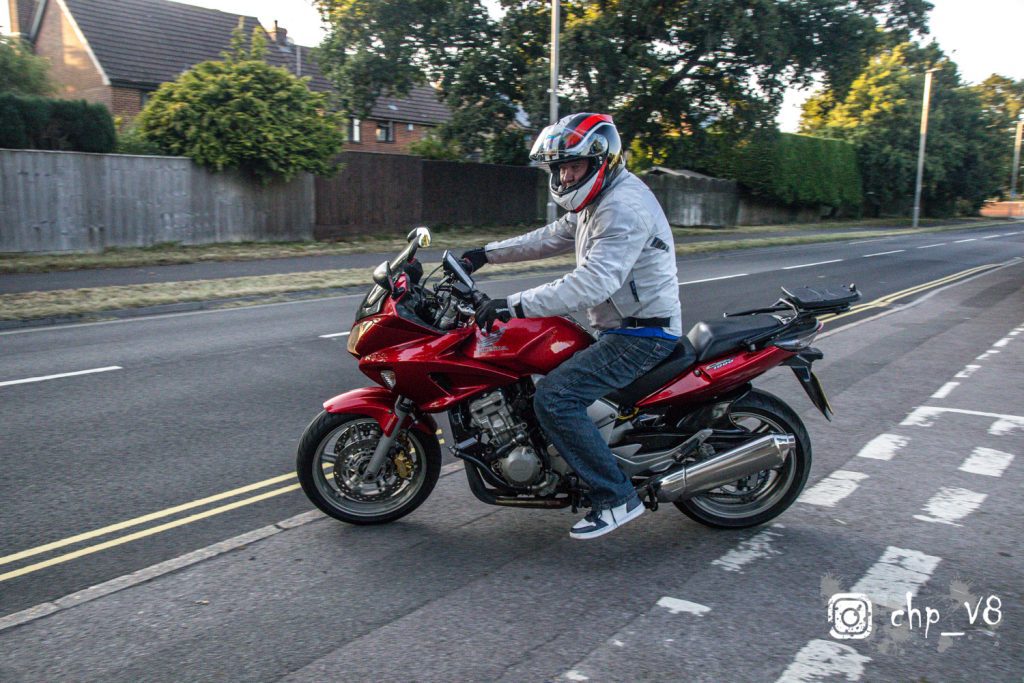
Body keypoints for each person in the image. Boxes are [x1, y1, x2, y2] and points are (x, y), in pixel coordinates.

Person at [461, 113, 682, 540]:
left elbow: (594, 281)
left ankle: (616, 496)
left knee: (556, 398)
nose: (564, 175)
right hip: (620, 326)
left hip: (641, 335)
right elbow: (551, 235)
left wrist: (514, 305)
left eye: (572, 166)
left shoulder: (622, 207)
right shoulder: (594, 200)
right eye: (559, 167)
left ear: (601, 160)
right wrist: (484, 254)